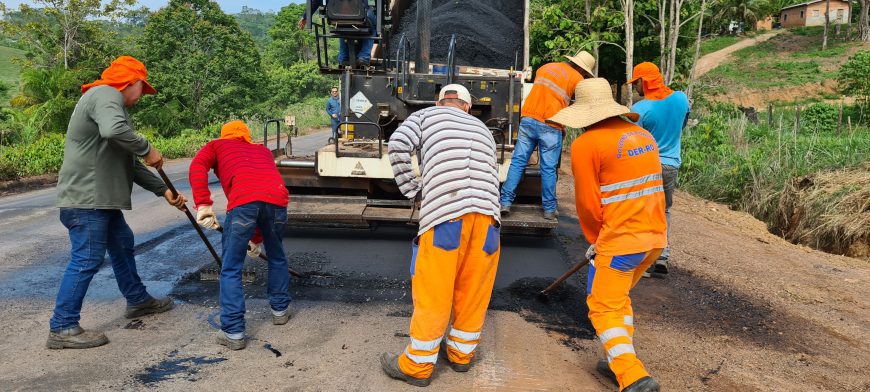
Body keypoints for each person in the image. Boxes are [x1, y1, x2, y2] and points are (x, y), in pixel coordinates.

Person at [48, 56, 186, 349]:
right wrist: (148, 147)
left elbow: (129, 163)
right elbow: (116, 133)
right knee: (87, 258)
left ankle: (137, 300)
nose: (141, 96)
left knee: (122, 244)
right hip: (87, 200)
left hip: (102, 202)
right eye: (142, 89)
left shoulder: (107, 103)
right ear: (132, 82)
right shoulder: (105, 94)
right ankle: (62, 327)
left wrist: (164, 192)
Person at [549, 78, 667, 392]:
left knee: (602, 305)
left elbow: (588, 203)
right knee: (617, 301)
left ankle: (633, 376)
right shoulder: (643, 136)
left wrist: (595, 240)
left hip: (621, 241)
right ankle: (617, 361)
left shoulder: (587, 144)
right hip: (654, 239)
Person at [382, 84, 501, 387]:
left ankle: (417, 366)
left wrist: (414, 189)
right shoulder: (482, 129)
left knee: (435, 290)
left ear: (439, 102)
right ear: (467, 106)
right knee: (473, 290)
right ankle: (461, 355)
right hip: (489, 219)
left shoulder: (426, 117)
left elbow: (397, 145)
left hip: (447, 215)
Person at [189, 120, 292, 350]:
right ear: (246, 135)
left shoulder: (216, 145)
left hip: (244, 203)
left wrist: (203, 203)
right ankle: (280, 311)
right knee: (277, 256)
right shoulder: (262, 150)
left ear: (224, 135)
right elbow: (262, 195)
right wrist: (256, 238)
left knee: (231, 267)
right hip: (277, 201)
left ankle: (233, 332)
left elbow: (197, 167)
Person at [499, 50, 595, 220]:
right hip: (551, 124)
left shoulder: (545, 67)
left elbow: (544, 93)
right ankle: (549, 209)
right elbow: (571, 106)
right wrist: (564, 127)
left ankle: (505, 202)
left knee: (518, 161)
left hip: (528, 118)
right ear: (583, 70)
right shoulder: (578, 80)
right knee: (548, 168)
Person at [628, 62, 690, 275]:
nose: (634, 88)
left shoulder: (639, 110)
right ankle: (662, 255)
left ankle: (643, 261)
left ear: (643, 82)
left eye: (636, 83)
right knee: (664, 210)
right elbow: (682, 124)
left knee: (644, 211)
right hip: (671, 164)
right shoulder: (681, 99)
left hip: (648, 165)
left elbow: (634, 143)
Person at [300, 0, 376, 67]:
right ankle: (364, 56)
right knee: (373, 24)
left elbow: (315, 1)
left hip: (335, 18)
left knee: (342, 27)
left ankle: (343, 58)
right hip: (359, 15)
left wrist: (305, 16)